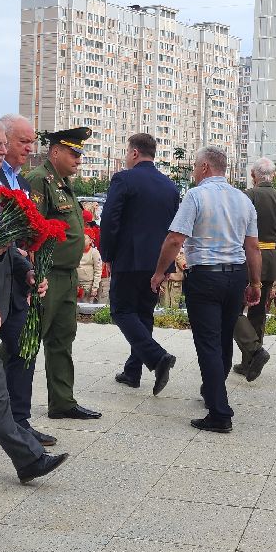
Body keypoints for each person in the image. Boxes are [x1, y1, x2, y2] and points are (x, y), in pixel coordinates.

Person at [0, 116, 69, 483]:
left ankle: (23, 438)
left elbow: (8, 242)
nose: (11, 150)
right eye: (1, 144)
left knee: (19, 352)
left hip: (11, 287)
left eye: (9, 145)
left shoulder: (10, 182)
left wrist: (28, 270)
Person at [151, 146, 261, 433]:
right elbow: (252, 246)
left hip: (206, 276)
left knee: (208, 343)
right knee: (223, 339)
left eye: (194, 167)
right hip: (236, 275)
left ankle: (219, 412)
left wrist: (160, 272)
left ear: (204, 168)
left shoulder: (196, 196)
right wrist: (255, 282)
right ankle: (214, 393)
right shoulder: (243, 199)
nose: (193, 172)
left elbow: (175, 239)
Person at [25, 127, 100, 420]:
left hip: (67, 274)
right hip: (48, 274)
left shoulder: (63, 182)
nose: (79, 159)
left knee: (62, 339)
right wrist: (35, 271)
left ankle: (62, 402)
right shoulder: (39, 180)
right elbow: (31, 230)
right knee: (28, 338)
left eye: (80, 153)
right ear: (55, 152)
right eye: (73, 153)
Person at [98, 132, 180, 393]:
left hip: (128, 259)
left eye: (127, 152)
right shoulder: (170, 186)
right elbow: (173, 229)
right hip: (158, 263)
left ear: (134, 153)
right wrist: (167, 266)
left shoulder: (124, 179)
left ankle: (157, 357)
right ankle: (132, 372)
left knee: (121, 311)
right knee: (144, 314)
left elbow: (109, 220)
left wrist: (107, 255)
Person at [0, 113, 55, 447]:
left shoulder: (21, 182)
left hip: (17, 280)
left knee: (25, 346)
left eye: (32, 142)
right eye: (23, 141)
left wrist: (32, 270)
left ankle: (18, 421)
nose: (29, 148)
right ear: (2, 141)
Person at [232, 157, 276, 381]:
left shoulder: (247, 196)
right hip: (270, 259)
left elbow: (237, 231)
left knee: (233, 310)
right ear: (274, 175)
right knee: (258, 312)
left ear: (253, 175)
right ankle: (249, 363)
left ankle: (254, 351)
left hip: (247, 259)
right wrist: (275, 260)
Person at [77, 233, 102, 302]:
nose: (82, 240)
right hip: (77, 285)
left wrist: (95, 288)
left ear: (90, 240)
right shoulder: (76, 251)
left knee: (88, 306)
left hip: (89, 286)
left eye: (84, 238)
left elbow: (98, 271)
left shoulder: (94, 252)